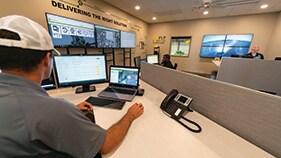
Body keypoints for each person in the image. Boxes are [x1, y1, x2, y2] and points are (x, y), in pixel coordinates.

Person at [0, 15, 144, 158]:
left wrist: (70, 111)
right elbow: (105, 145)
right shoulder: (52, 110)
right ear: (46, 59)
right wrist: (129, 116)